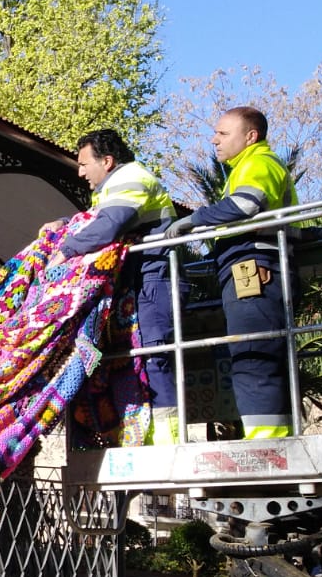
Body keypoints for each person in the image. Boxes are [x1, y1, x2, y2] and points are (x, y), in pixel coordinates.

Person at [162, 105, 297, 439]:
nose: (214, 140)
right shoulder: (247, 166)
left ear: (250, 136)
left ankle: (267, 444)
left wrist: (193, 220)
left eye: (223, 133)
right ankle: (268, 438)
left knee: (253, 352)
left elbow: (246, 205)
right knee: (253, 352)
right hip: (250, 265)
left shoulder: (258, 163)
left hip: (254, 266)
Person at [44, 129, 180, 443]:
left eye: (83, 163)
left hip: (153, 275)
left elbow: (110, 223)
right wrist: (65, 224)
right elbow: (97, 218)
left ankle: (168, 437)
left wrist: (66, 250)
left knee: (153, 352)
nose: (79, 171)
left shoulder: (131, 177)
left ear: (107, 161)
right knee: (131, 355)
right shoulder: (111, 186)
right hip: (135, 279)